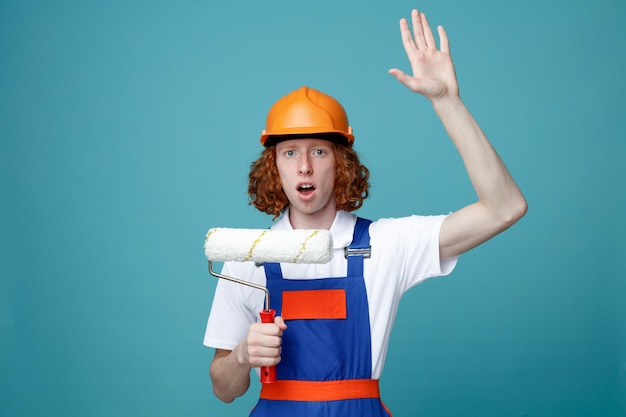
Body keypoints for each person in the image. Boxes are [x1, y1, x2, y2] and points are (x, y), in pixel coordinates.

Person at [203, 8, 527, 416]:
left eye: (319, 151)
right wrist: (242, 358)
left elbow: (505, 207)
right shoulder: (245, 257)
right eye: (289, 153)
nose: (304, 166)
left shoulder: (385, 245)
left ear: (341, 163)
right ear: (275, 167)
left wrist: (448, 102)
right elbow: (224, 389)